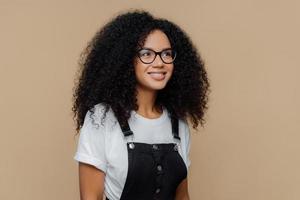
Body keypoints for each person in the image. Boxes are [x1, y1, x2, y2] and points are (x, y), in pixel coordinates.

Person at [72, 10, 210, 200]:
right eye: (147, 54)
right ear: (126, 59)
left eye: (166, 54)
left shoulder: (178, 123)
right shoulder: (101, 118)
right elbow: (90, 197)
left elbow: (182, 196)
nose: (159, 62)